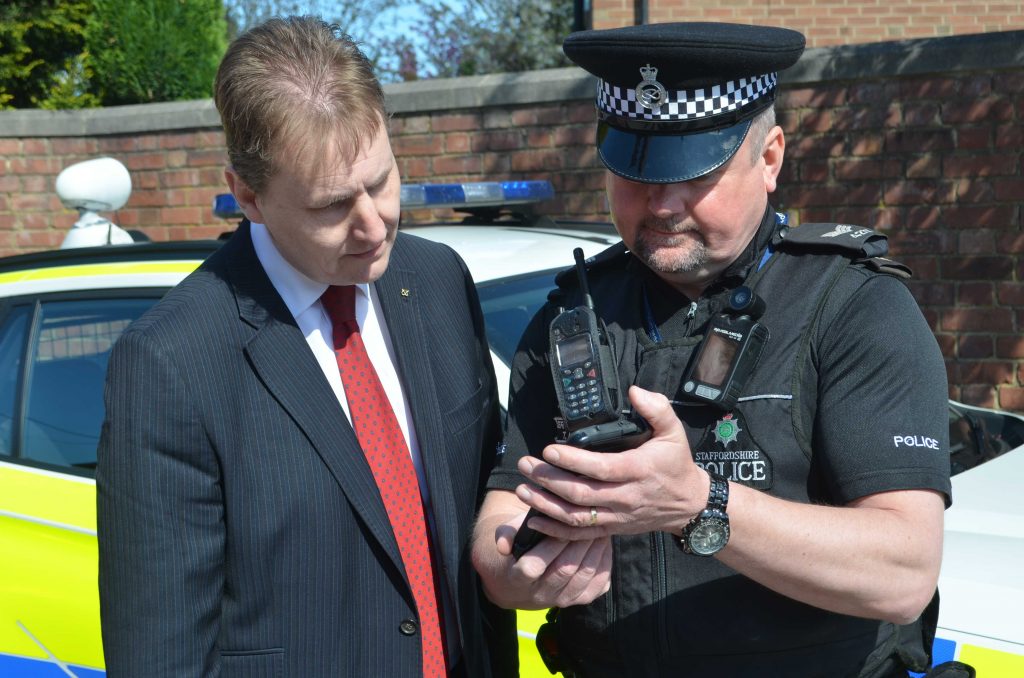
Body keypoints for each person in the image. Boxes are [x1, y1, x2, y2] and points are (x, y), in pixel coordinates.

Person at [471, 22, 951, 678]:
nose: (661, 204)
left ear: (771, 158)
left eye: (693, 174)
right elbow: (502, 525)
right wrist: (522, 572)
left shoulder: (853, 306)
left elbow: (904, 572)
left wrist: (702, 503)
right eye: (635, 174)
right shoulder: (572, 319)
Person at [97, 16, 515, 678]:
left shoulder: (437, 281)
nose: (374, 225)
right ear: (247, 196)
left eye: (381, 181)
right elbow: (161, 655)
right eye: (331, 206)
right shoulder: (171, 362)